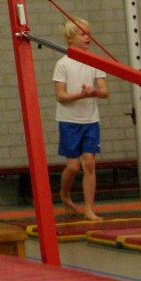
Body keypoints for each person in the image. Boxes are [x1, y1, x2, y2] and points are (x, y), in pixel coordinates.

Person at [52, 18, 109, 221]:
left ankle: (89, 208)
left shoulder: (95, 61)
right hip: (69, 121)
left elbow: (104, 91)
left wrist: (94, 91)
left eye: (88, 33)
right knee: (73, 166)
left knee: (90, 164)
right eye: (82, 34)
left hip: (90, 120)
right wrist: (82, 95)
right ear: (70, 39)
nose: (88, 37)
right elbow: (61, 96)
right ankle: (64, 193)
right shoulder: (63, 64)